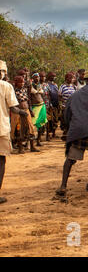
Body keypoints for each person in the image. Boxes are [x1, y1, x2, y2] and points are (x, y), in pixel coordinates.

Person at [55, 70, 88, 197]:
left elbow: (66, 114)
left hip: (77, 131)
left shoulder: (74, 94)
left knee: (70, 158)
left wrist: (70, 126)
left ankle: (63, 185)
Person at [0, 60, 29, 204]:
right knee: (1, 160)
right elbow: (13, 108)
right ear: (3, 72)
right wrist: (24, 114)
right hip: (1, 128)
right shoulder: (5, 86)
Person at [11, 76, 38, 153]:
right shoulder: (13, 91)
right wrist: (19, 111)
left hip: (26, 111)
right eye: (20, 82)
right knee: (19, 129)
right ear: (16, 83)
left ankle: (32, 146)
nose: (22, 84)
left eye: (23, 82)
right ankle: (20, 148)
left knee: (30, 128)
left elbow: (27, 100)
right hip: (18, 112)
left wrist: (30, 110)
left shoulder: (24, 90)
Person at [30, 72, 48, 146]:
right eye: (35, 77)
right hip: (34, 106)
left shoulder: (40, 85)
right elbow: (29, 97)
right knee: (32, 125)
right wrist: (30, 108)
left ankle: (38, 141)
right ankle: (31, 144)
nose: (37, 78)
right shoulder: (30, 86)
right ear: (33, 78)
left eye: (37, 77)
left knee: (41, 124)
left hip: (42, 105)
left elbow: (43, 95)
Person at [58, 72, 77, 141]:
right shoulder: (62, 86)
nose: (72, 80)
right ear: (66, 79)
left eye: (72, 78)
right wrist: (63, 102)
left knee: (72, 122)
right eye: (70, 78)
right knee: (66, 122)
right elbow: (59, 96)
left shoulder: (74, 86)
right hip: (65, 107)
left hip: (73, 107)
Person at [47, 72, 59, 139]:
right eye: (52, 76)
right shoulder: (47, 85)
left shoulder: (55, 85)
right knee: (50, 120)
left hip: (56, 104)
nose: (53, 78)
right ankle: (48, 134)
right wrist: (50, 104)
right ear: (49, 76)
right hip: (50, 105)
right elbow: (48, 95)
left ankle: (54, 134)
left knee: (55, 119)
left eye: (54, 76)